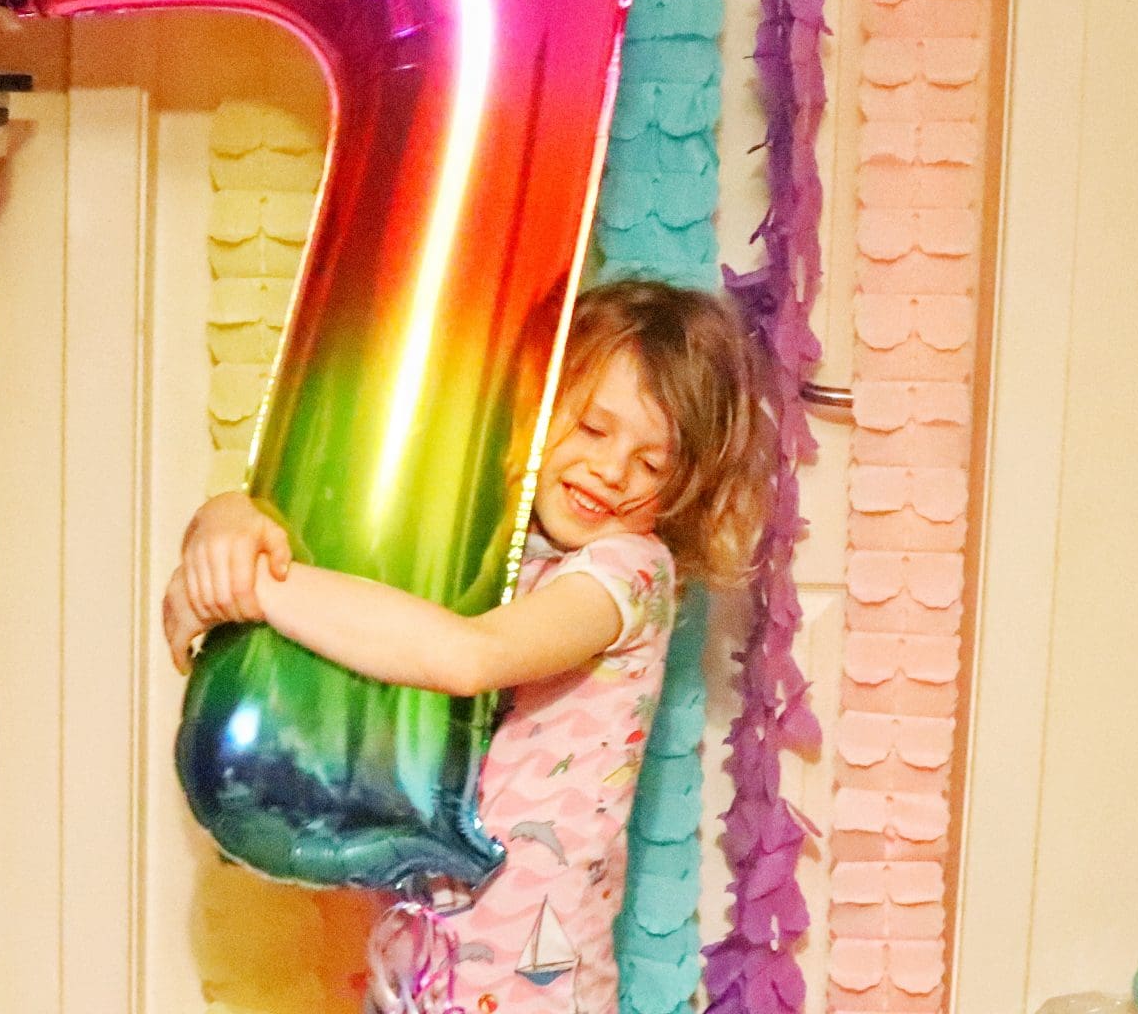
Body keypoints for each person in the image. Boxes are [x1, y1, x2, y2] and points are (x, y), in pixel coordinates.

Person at [162, 279, 771, 1014]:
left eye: (652, 463)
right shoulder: (494, 554)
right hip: (423, 962)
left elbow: (466, 658)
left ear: (683, 489)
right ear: (536, 406)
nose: (612, 472)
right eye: (591, 429)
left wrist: (257, 590)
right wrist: (226, 523)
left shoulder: (629, 573)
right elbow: (359, 591)